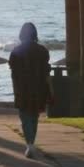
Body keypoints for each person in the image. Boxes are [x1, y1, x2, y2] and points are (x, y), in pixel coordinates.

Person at [9, 22, 51, 158]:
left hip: (22, 89)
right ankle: (31, 143)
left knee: (25, 116)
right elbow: (46, 72)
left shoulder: (16, 51)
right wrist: (50, 89)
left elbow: (13, 73)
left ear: (22, 34)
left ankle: (30, 145)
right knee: (34, 117)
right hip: (39, 88)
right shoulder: (43, 51)